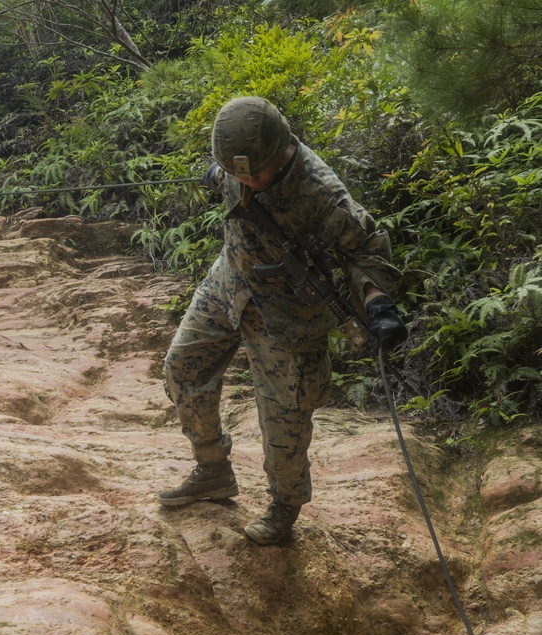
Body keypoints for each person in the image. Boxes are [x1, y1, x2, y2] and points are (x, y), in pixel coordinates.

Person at [157, 96, 406, 545]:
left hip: (291, 316)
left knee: (284, 420)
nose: (248, 180)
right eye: (238, 174)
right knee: (182, 369)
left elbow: (367, 248)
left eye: (256, 173)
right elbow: (232, 174)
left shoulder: (321, 193)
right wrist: (219, 176)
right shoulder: (239, 163)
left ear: (283, 150)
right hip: (232, 283)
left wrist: (379, 304)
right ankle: (213, 470)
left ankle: (284, 505)